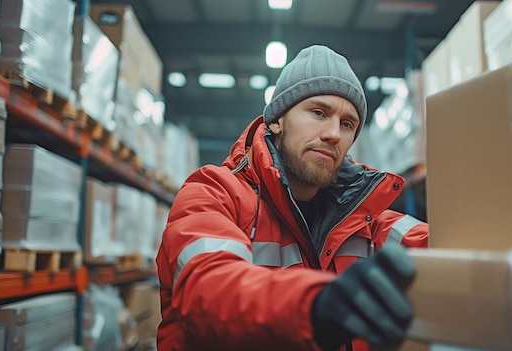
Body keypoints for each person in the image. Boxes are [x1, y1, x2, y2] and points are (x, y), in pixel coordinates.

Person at [156, 45, 429, 351]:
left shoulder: (365, 223)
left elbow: (444, 245)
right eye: (318, 113)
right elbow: (205, 291)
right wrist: (316, 306)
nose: (334, 134)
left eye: (347, 124)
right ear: (276, 120)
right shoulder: (213, 193)